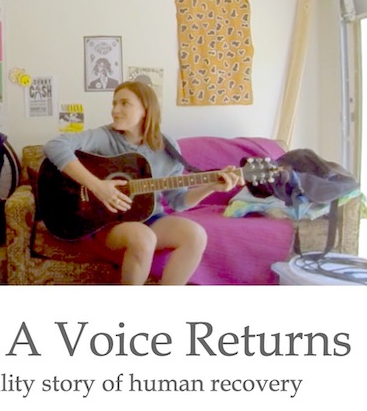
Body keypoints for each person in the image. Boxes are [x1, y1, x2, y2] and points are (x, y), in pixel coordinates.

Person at [43, 81, 242, 285]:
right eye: (114, 103)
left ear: (146, 109)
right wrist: (98, 186)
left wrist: (210, 186)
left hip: (150, 217)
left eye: (124, 104)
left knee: (196, 235)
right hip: (109, 223)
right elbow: (55, 146)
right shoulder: (104, 136)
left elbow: (179, 202)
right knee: (143, 237)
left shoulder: (168, 148)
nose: (115, 110)